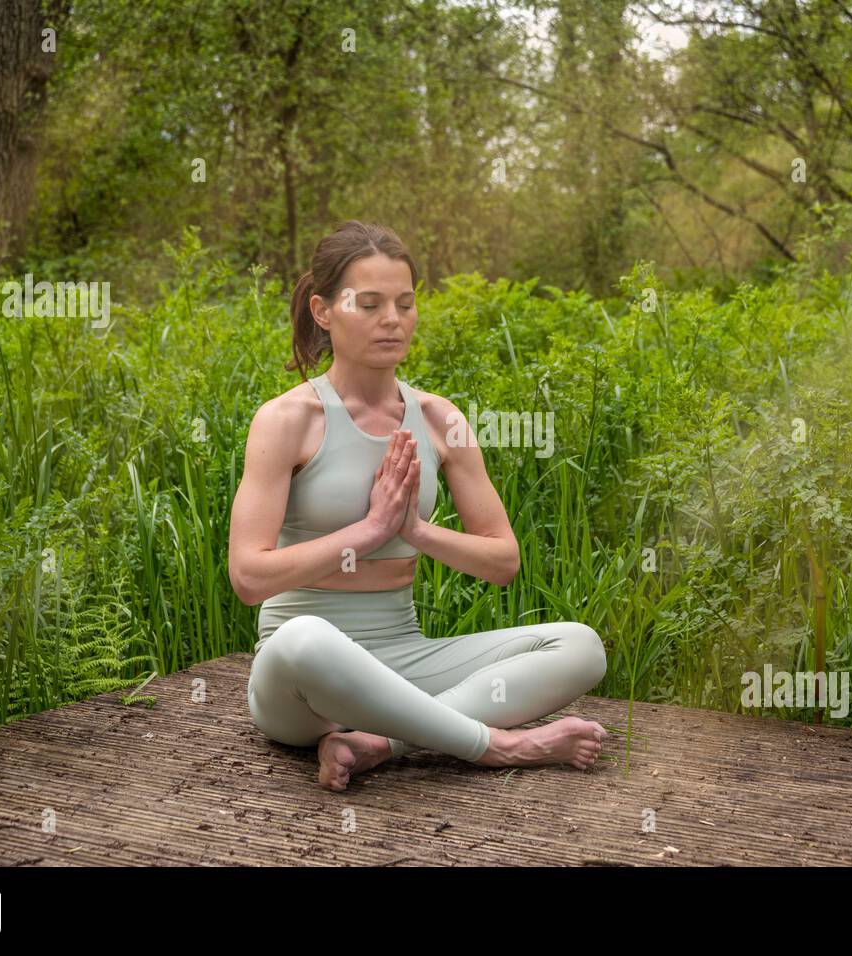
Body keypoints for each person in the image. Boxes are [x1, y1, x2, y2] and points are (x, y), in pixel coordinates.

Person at [227, 220, 608, 791]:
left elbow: (502, 562)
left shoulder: (439, 420)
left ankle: (383, 742)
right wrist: (372, 529)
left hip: (403, 658)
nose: (392, 319)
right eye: (371, 303)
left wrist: (417, 532)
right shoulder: (286, 420)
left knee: (580, 646)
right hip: (303, 684)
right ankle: (496, 747)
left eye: (405, 303)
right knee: (305, 637)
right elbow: (249, 577)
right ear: (323, 311)